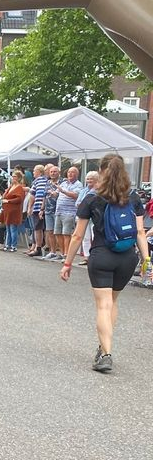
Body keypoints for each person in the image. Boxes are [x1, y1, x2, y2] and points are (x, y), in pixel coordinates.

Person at [61, 154, 149, 373]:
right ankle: (103, 347)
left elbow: (77, 236)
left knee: (103, 305)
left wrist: (67, 263)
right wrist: (147, 259)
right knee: (113, 302)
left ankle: (106, 354)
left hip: (101, 256)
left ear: (101, 171)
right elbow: (140, 231)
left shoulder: (92, 198)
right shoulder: (133, 197)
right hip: (127, 257)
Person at [51, 166, 83, 263]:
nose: (70, 174)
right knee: (57, 233)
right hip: (59, 211)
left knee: (66, 234)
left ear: (77, 174)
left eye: (72, 172)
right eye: (69, 172)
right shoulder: (64, 183)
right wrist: (52, 193)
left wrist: (63, 191)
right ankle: (62, 253)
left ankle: (67, 254)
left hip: (69, 212)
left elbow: (75, 195)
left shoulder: (79, 184)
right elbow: (57, 193)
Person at [0, 170, 26, 252]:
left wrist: (8, 201)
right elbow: (5, 196)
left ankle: (13, 245)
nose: (13, 178)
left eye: (15, 176)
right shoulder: (11, 187)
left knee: (13, 229)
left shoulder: (20, 187)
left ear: (18, 178)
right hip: (7, 211)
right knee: (8, 228)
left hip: (14, 211)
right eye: (12, 176)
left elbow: (19, 198)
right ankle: (7, 244)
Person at [76, 170, 99, 265]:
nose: (89, 181)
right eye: (88, 179)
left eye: (91, 179)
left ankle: (95, 257)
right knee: (85, 238)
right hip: (84, 217)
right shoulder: (83, 191)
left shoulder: (99, 191)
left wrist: (85, 205)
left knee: (95, 237)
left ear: (96, 180)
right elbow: (77, 203)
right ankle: (86, 257)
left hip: (95, 218)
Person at [26, 164, 48, 257]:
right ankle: (40, 247)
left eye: (34, 171)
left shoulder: (37, 181)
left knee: (37, 229)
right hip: (44, 207)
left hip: (38, 207)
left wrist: (29, 207)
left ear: (39, 171)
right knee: (44, 229)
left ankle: (38, 248)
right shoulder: (46, 180)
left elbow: (32, 195)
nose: (33, 172)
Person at [40, 165, 61, 259]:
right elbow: (44, 196)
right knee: (49, 231)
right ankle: (52, 252)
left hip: (58, 210)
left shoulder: (62, 182)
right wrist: (42, 209)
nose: (52, 173)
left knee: (58, 232)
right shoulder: (47, 182)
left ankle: (61, 252)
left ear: (59, 173)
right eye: (51, 172)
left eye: (55, 172)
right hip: (48, 210)